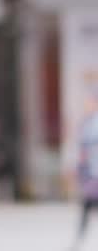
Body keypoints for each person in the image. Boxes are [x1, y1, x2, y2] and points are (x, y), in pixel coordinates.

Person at [75, 90, 98, 247]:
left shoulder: (94, 123)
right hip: (91, 171)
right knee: (87, 204)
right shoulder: (88, 121)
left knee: (88, 204)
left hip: (94, 171)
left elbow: (88, 148)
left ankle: (79, 239)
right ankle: (79, 239)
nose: (87, 106)